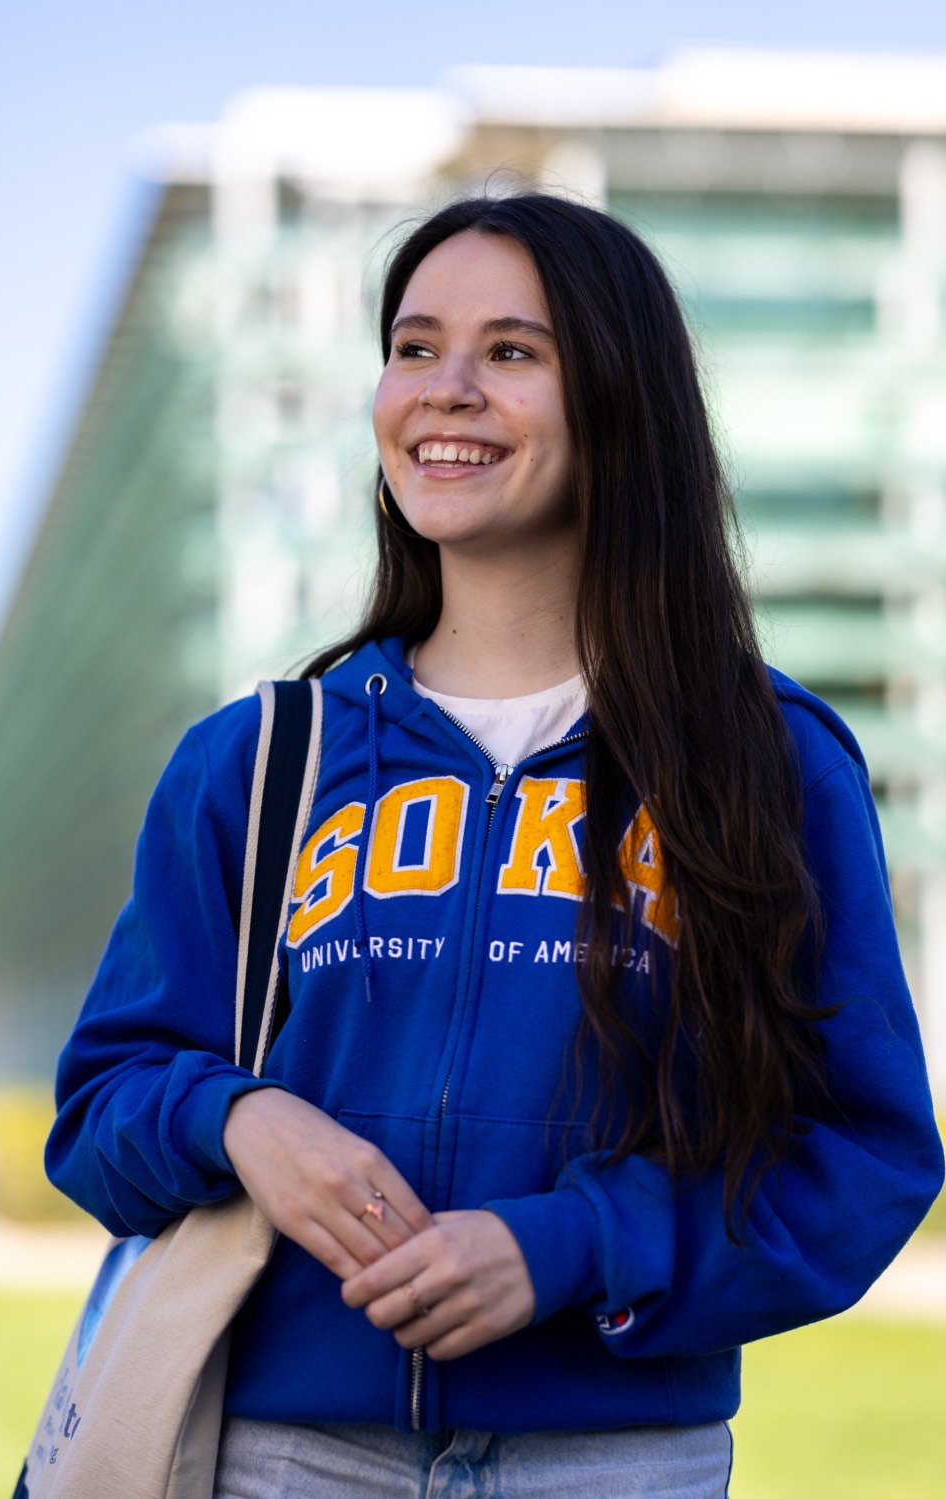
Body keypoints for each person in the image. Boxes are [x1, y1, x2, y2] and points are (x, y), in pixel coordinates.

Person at [46, 193, 944, 1499]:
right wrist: (238, 1119)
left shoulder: (769, 760)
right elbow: (100, 1104)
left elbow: (858, 1154)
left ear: (619, 400)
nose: (445, 391)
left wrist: (573, 1244)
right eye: (413, 348)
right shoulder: (261, 760)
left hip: (620, 1463)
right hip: (280, 1457)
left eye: (511, 352)